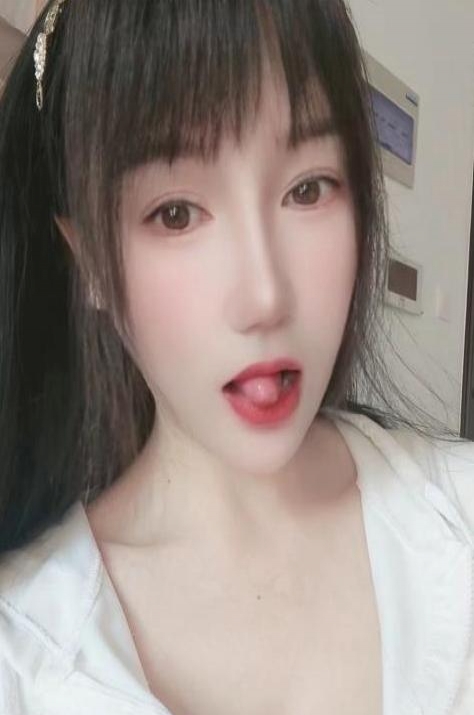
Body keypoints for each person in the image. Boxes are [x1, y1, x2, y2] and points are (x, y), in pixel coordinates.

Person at [0, 1, 473, 713]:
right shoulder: (23, 655)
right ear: (89, 256)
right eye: (176, 213)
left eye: (308, 189)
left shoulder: (460, 516)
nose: (264, 297)